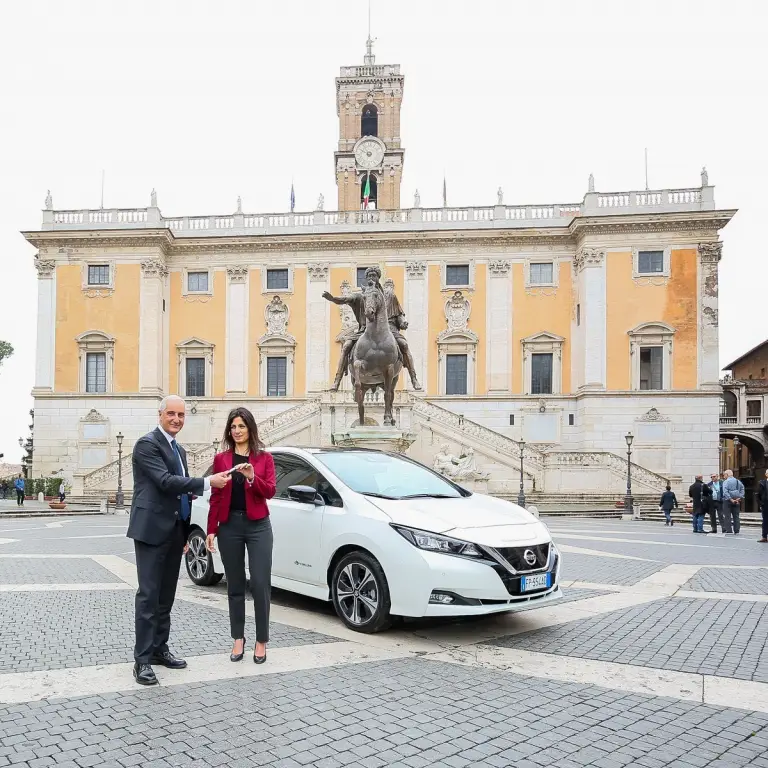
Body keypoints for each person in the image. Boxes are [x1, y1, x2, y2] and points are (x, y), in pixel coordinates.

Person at [126, 395, 231, 686]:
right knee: (148, 596)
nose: (176, 419)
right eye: (171, 413)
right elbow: (164, 482)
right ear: (160, 414)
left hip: (174, 531)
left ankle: (160, 650)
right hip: (150, 530)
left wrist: (185, 532)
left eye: (181, 415)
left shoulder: (179, 449)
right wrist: (207, 482)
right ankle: (142, 661)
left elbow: (181, 493)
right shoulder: (147, 444)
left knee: (166, 597)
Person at [206, 408, 276, 664]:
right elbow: (216, 496)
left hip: (258, 526)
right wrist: (211, 529)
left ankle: (261, 640)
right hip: (229, 527)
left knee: (259, 583)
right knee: (234, 584)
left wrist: (251, 477)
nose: (236, 431)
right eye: (233, 427)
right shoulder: (221, 459)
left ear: (250, 429)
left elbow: (269, 491)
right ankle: (238, 638)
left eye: (241, 426)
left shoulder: (264, 458)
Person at [722, 469, 745, 535]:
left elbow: (725, 492)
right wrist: (739, 498)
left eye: (724, 475)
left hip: (727, 501)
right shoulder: (738, 481)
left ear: (727, 475)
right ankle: (737, 529)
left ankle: (729, 530)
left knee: (727, 516)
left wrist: (731, 499)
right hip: (737, 500)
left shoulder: (726, 482)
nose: (724, 476)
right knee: (736, 516)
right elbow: (742, 489)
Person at [758, 469, 768, 543]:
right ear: (766, 474)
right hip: (765, 505)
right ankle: (764, 536)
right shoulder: (762, 483)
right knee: (765, 521)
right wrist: (761, 504)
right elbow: (758, 495)